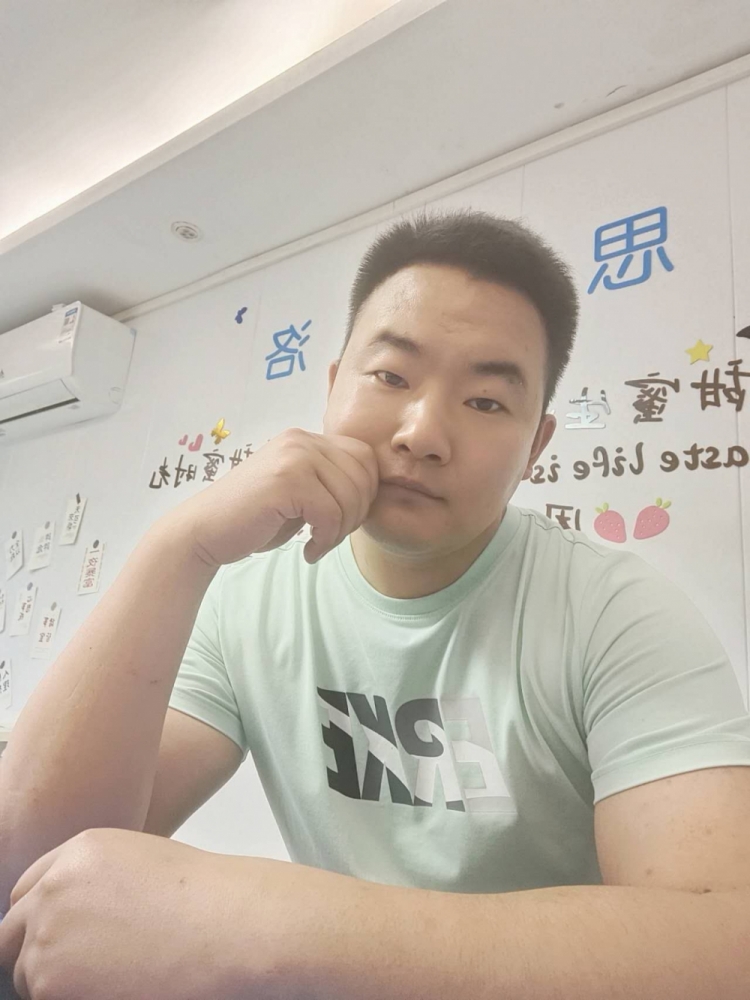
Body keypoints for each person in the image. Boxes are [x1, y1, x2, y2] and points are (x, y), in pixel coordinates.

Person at [1, 209, 749, 998]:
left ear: (535, 446)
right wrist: (177, 548)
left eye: (486, 402)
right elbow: (34, 871)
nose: (423, 433)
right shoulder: (246, 601)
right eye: (391, 377)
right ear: (332, 389)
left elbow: (728, 944)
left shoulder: (615, 613)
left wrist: (272, 929)